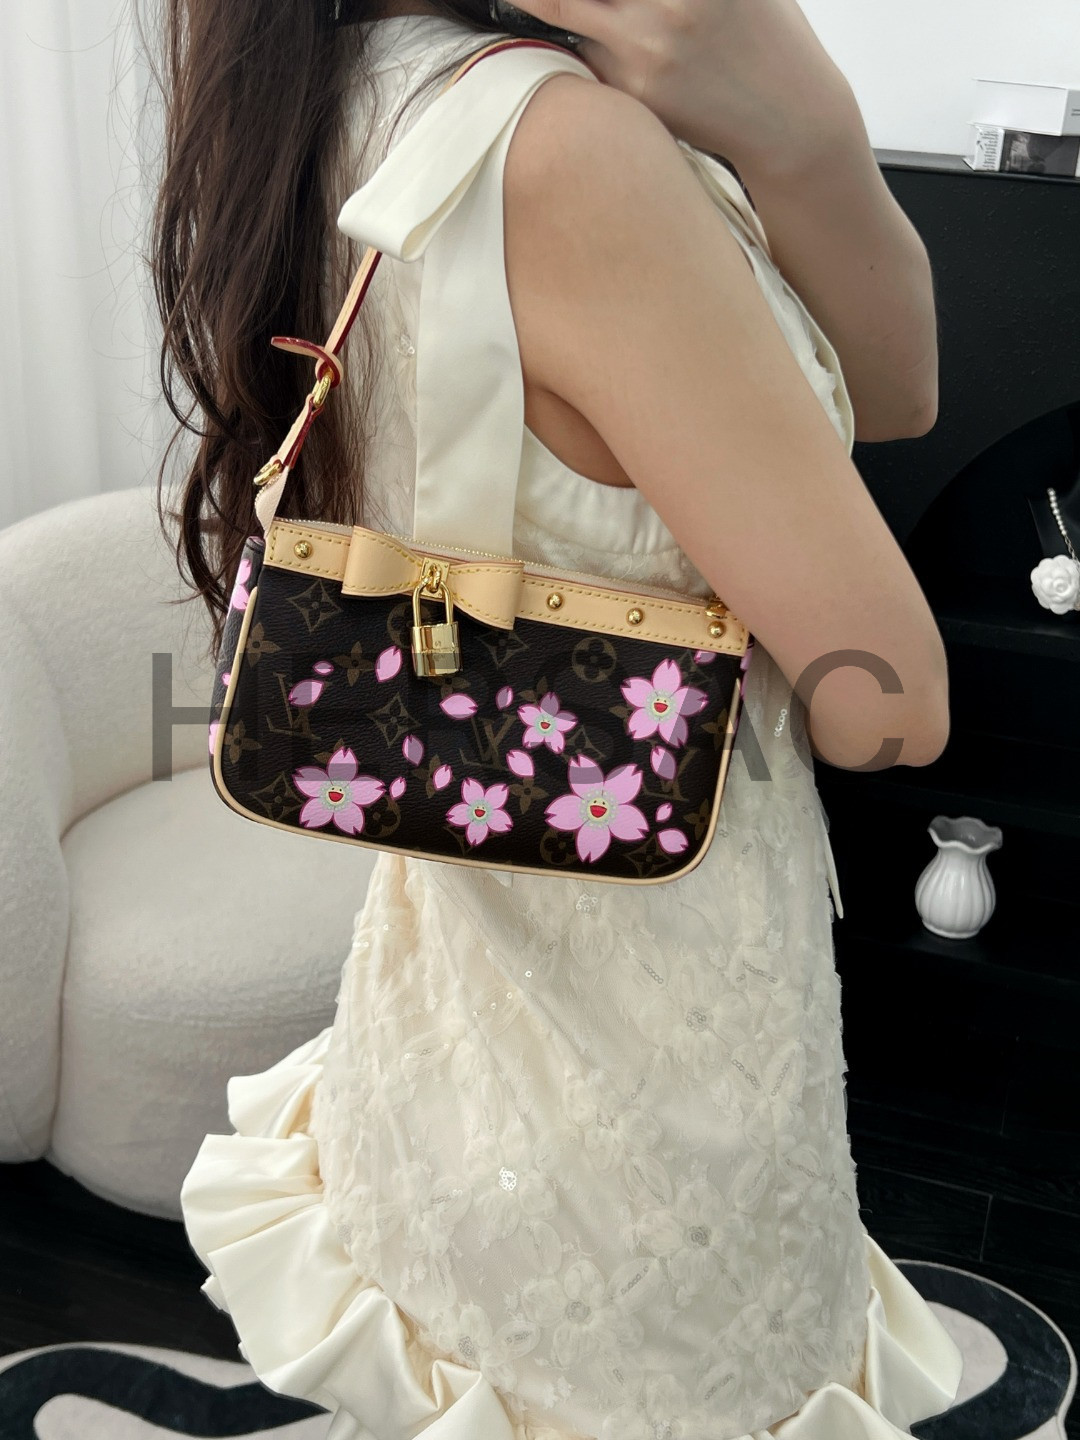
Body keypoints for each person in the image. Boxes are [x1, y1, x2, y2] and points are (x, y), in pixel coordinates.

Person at [164, 0, 963, 1435]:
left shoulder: (330, 77)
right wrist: (801, 109)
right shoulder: (571, 153)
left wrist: (803, 130)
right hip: (646, 1118)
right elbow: (892, 712)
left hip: (444, 1020)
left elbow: (898, 392)